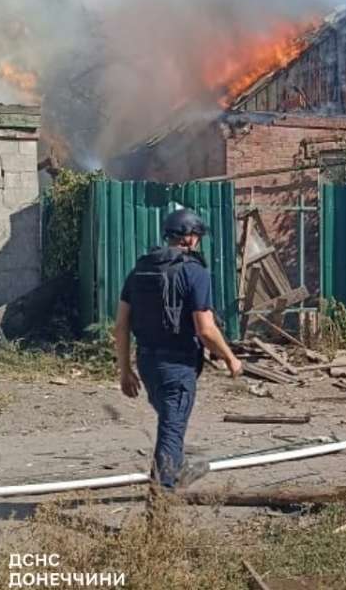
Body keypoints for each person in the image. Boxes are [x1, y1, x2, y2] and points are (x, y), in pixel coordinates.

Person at [112, 208, 243, 490]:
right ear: (190, 238)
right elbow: (206, 329)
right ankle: (163, 497)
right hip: (178, 366)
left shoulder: (140, 269)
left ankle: (176, 468)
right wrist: (231, 358)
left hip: (147, 364)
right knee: (171, 430)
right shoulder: (194, 272)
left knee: (170, 424)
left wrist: (125, 370)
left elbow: (121, 325)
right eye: (196, 236)